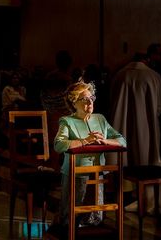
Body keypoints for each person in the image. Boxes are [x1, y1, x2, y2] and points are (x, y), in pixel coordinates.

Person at [54, 80, 127, 226]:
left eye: (91, 98)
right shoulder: (67, 121)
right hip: (76, 174)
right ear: (74, 103)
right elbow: (58, 145)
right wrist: (85, 140)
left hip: (98, 173)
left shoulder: (100, 119)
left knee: (95, 216)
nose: (90, 102)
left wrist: (106, 141)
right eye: (85, 99)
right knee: (72, 216)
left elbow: (122, 141)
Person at [110, 52, 161, 166]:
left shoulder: (120, 75)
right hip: (147, 122)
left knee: (124, 156)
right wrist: (150, 112)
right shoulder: (153, 76)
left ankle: (123, 182)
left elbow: (112, 99)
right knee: (145, 153)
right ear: (146, 61)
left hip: (122, 120)